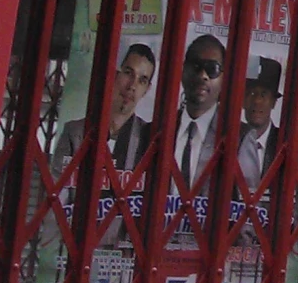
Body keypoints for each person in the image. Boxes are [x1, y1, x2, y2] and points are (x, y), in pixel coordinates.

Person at [55, 43, 156, 172]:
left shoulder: (148, 139)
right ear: (114, 74)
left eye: (142, 80)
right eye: (128, 73)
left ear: (146, 89)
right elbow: (58, 185)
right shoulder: (74, 133)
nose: (132, 86)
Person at [171, 33, 227, 184]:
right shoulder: (160, 130)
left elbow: (249, 203)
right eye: (196, 66)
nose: (203, 75)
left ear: (223, 78)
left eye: (212, 69)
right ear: (183, 71)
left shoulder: (238, 138)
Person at [237, 58, 285, 184]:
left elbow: (297, 199)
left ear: (274, 102)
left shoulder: (286, 145)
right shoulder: (230, 140)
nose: (257, 101)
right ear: (242, 100)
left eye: (264, 94)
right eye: (251, 94)